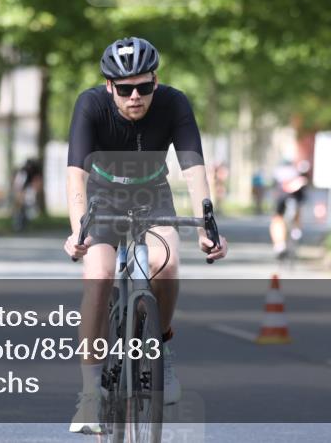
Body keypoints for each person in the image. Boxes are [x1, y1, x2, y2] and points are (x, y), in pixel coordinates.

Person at [63, 36, 228, 434]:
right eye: (124, 89)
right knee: (98, 275)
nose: (135, 96)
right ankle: (89, 394)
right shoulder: (91, 106)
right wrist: (77, 230)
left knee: (165, 264)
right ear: (109, 87)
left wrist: (208, 224)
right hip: (102, 197)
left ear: (156, 80)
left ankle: (161, 346)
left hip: (152, 194)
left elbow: (192, 168)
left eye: (144, 86)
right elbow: (76, 175)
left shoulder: (174, 103)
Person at [270, 158, 309, 260]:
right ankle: (296, 230)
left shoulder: (277, 172)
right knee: (298, 209)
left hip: (282, 196)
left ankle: (279, 245)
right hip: (295, 197)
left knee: (277, 219)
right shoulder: (297, 172)